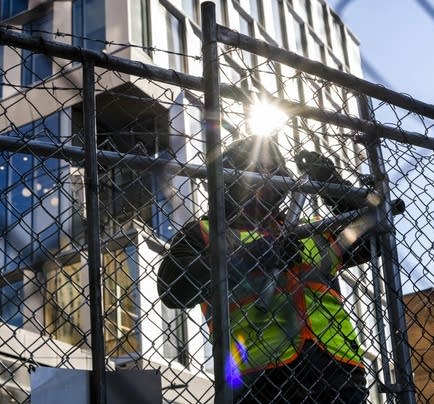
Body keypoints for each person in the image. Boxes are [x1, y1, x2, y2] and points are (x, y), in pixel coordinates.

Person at [158, 135, 370, 403]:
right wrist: (255, 255)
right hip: (261, 379)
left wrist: (332, 184)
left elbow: (371, 241)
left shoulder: (307, 229)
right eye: (259, 169)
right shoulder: (203, 232)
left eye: (274, 170)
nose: (268, 177)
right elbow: (173, 289)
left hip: (338, 371)